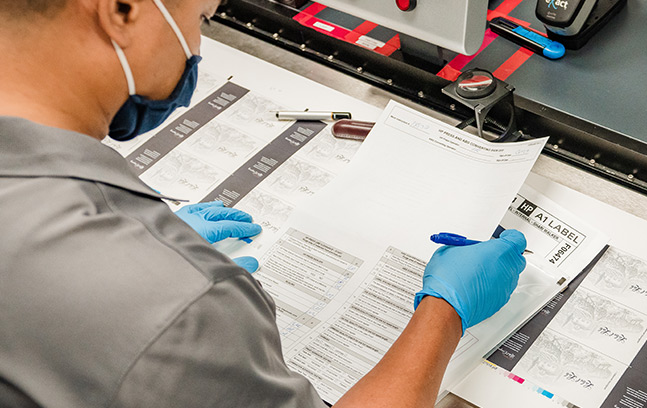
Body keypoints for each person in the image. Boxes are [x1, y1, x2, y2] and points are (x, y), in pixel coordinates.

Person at [0, 0, 527, 407]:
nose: (195, 47)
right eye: (199, 18)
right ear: (121, 10)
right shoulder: (181, 306)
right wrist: (445, 313)